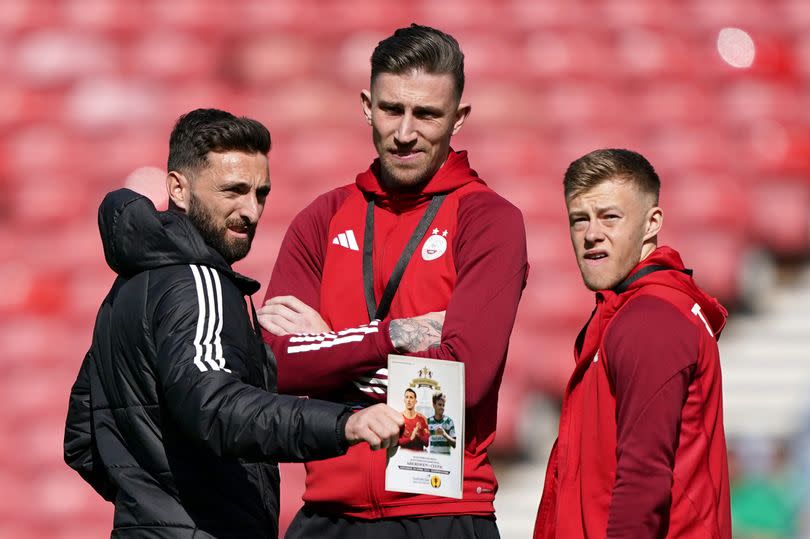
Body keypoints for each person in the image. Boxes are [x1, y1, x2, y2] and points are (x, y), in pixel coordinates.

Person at [63, 108, 405, 539]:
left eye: (261, 193)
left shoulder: (129, 288)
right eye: (233, 191)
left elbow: (82, 438)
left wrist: (149, 505)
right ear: (178, 189)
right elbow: (215, 406)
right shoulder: (199, 281)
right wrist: (344, 423)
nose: (251, 210)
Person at [258, 24, 528, 539]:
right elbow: (271, 366)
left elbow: (462, 382)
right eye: (391, 110)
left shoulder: (489, 220)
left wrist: (328, 351)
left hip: (443, 513)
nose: (405, 133)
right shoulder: (323, 217)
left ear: (459, 119)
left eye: (427, 114)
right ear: (366, 105)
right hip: (326, 514)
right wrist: (396, 339)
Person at [533, 149, 731, 538]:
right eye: (579, 220)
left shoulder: (650, 319)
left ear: (651, 223)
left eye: (610, 217)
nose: (591, 234)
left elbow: (643, 478)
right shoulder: (627, 312)